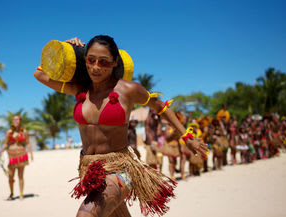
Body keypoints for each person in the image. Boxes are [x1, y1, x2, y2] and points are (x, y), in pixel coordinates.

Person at [34, 35, 208, 217]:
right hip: (88, 169)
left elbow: (161, 107)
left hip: (120, 169)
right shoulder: (79, 88)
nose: (95, 67)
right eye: (91, 60)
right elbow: (39, 74)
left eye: (103, 62)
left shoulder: (128, 90)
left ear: (115, 62)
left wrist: (187, 137)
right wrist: (66, 49)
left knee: (85, 215)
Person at [0, 115, 33, 200]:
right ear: (12, 122)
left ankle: (21, 194)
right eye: (14, 120)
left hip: (21, 155)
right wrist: (1, 151)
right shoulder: (9, 132)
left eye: (18, 119)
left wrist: (31, 154)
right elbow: (6, 143)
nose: (16, 121)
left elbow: (28, 143)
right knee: (10, 176)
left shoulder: (24, 131)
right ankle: (11, 193)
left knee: (20, 176)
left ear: (20, 121)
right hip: (11, 155)